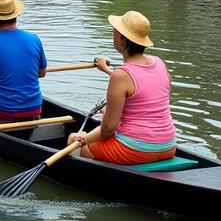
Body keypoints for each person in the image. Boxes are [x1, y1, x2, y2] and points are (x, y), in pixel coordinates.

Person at [68, 10, 176, 165]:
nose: (113, 34)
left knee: (73, 140)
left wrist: (83, 139)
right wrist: (107, 70)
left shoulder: (121, 75)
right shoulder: (159, 63)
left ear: (124, 40)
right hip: (168, 146)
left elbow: (108, 129)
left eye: (116, 32)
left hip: (135, 151)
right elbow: (145, 94)